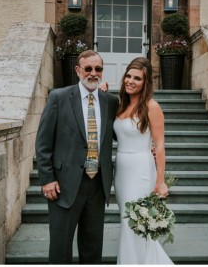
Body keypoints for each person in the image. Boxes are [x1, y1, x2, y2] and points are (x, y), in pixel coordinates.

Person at [35, 50, 119, 263]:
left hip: (97, 184)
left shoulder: (110, 101)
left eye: (98, 69)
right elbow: (43, 143)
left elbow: (120, 134)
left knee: (92, 248)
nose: (93, 73)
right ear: (77, 70)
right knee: (60, 248)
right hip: (64, 185)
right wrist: (47, 179)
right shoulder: (59, 97)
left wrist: (149, 145)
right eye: (88, 68)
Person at [114, 57, 173, 264]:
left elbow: (159, 146)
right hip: (121, 170)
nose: (130, 81)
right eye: (128, 76)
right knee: (127, 221)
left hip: (140, 169)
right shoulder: (120, 105)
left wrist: (160, 181)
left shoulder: (151, 106)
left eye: (137, 78)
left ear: (145, 83)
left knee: (134, 222)